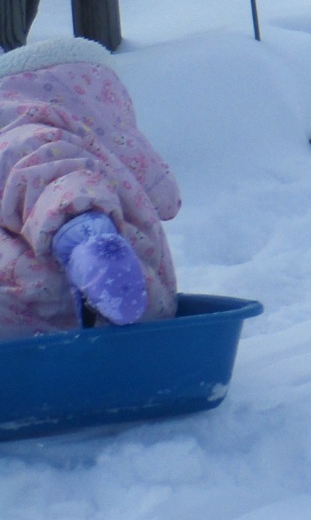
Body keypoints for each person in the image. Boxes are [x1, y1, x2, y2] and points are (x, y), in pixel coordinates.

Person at [0, 37, 181, 339]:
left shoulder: (17, 125)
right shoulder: (113, 145)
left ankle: (90, 241)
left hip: (40, 304)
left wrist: (86, 234)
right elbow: (166, 197)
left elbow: (56, 178)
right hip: (150, 301)